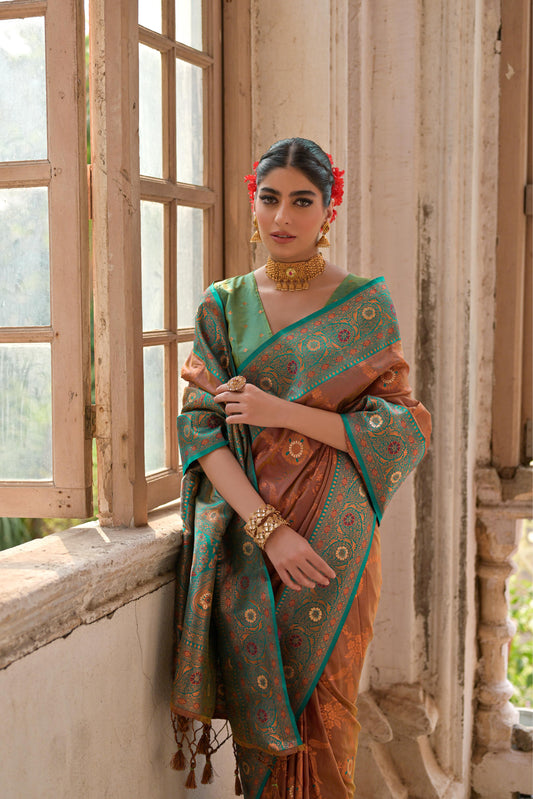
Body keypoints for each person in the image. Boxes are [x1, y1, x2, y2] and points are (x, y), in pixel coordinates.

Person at [170, 138, 431, 799]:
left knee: (328, 717)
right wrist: (267, 530)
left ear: (328, 210)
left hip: (335, 540)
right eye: (269, 198)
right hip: (253, 546)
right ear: (252, 203)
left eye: (301, 201)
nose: (282, 216)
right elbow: (201, 430)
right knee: (265, 728)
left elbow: (401, 430)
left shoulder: (362, 306)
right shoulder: (222, 306)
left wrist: (277, 410)